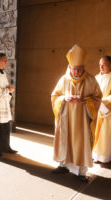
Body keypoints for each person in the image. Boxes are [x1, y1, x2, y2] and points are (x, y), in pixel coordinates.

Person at [51, 44, 102, 182]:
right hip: (66, 118)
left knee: (81, 144)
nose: (77, 72)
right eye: (74, 69)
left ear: (84, 68)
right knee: (64, 140)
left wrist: (85, 101)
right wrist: (63, 99)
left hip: (82, 121)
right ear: (69, 68)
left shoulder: (91, 80)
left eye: (80, 69)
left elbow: (98, 98)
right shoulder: (63, 79)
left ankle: (81, 173)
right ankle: (63, 165)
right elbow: (54, 96)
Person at [92, 56, 111, 163]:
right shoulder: (96, 77)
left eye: (104, 64)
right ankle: (95, 155)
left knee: (105, 136)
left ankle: (104, 157)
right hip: (95, 109)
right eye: (100, 64)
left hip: (107, 112)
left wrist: (103, 102)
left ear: (110, 65)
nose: (101, 67)